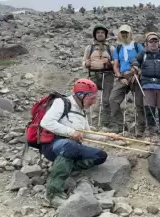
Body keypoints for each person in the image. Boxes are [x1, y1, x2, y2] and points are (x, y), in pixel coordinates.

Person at [40, 79, 120, 207]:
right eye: (92, 98)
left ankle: (68, 167)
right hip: (53, 146)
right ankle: (52, 194)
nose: (94, 102)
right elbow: (45, 123)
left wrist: (107, 137)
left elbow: (86, 134)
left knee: (100, 156)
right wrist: (70, 132)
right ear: (81, 96)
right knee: (70, 146)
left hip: (72, 147)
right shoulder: (61, 103)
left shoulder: (82, 111)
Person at [109, 25, 145, 134]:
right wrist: (119, 77)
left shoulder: (137, 46)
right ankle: (120, 126)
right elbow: (115, 65)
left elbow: (143, 62)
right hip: (122, 76)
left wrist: (137, 73)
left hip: (135, 75)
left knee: (139, 103)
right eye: (122, 33)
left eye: (126, 33)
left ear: (130, 33)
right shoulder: (118, 48)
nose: (124, 35)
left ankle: (141, 128)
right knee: (113, 99)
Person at [82, 24, 115, 128]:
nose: (100, 34)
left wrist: (111, 63)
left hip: (108, 75)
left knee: (106, 99)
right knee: (93, 99)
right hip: (93, 75)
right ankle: (94, 124)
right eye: (98, 32)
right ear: (94, 35)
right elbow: (83, 61)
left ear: (105, 35)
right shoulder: (89, 48)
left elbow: (116, 62)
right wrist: (86, 64)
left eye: (102, 33)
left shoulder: (111, 48)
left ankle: (105, 123)